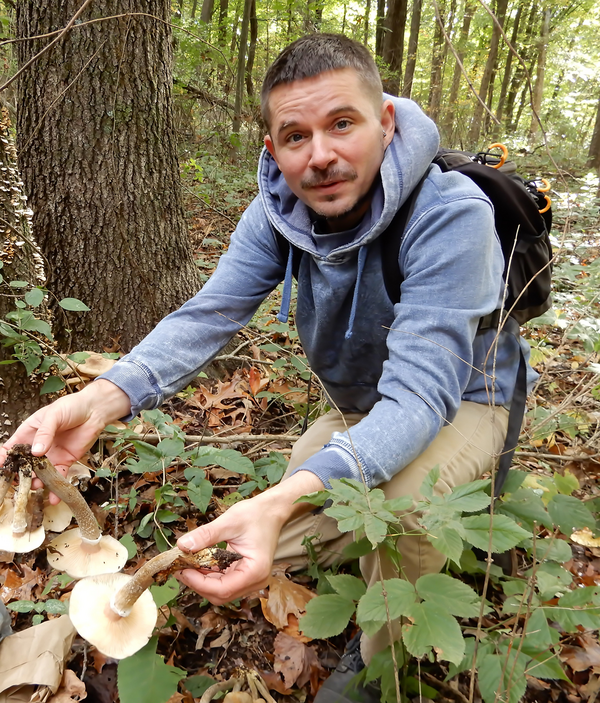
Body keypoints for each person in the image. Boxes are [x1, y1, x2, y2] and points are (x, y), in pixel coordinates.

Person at [0, 33, 532, 702]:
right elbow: (207, 316)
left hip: (467, 397)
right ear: (272, 150)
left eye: (343, 123)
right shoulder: (279, 212)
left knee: (404, 501)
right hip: (362, 403)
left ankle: (387, 659)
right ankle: (317, 575)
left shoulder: (450, 214)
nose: (321, 155)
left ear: (386, 122)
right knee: (296, 502)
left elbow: (420, 399)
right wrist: (102, 398)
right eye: (295, 136)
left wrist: (284, 500)